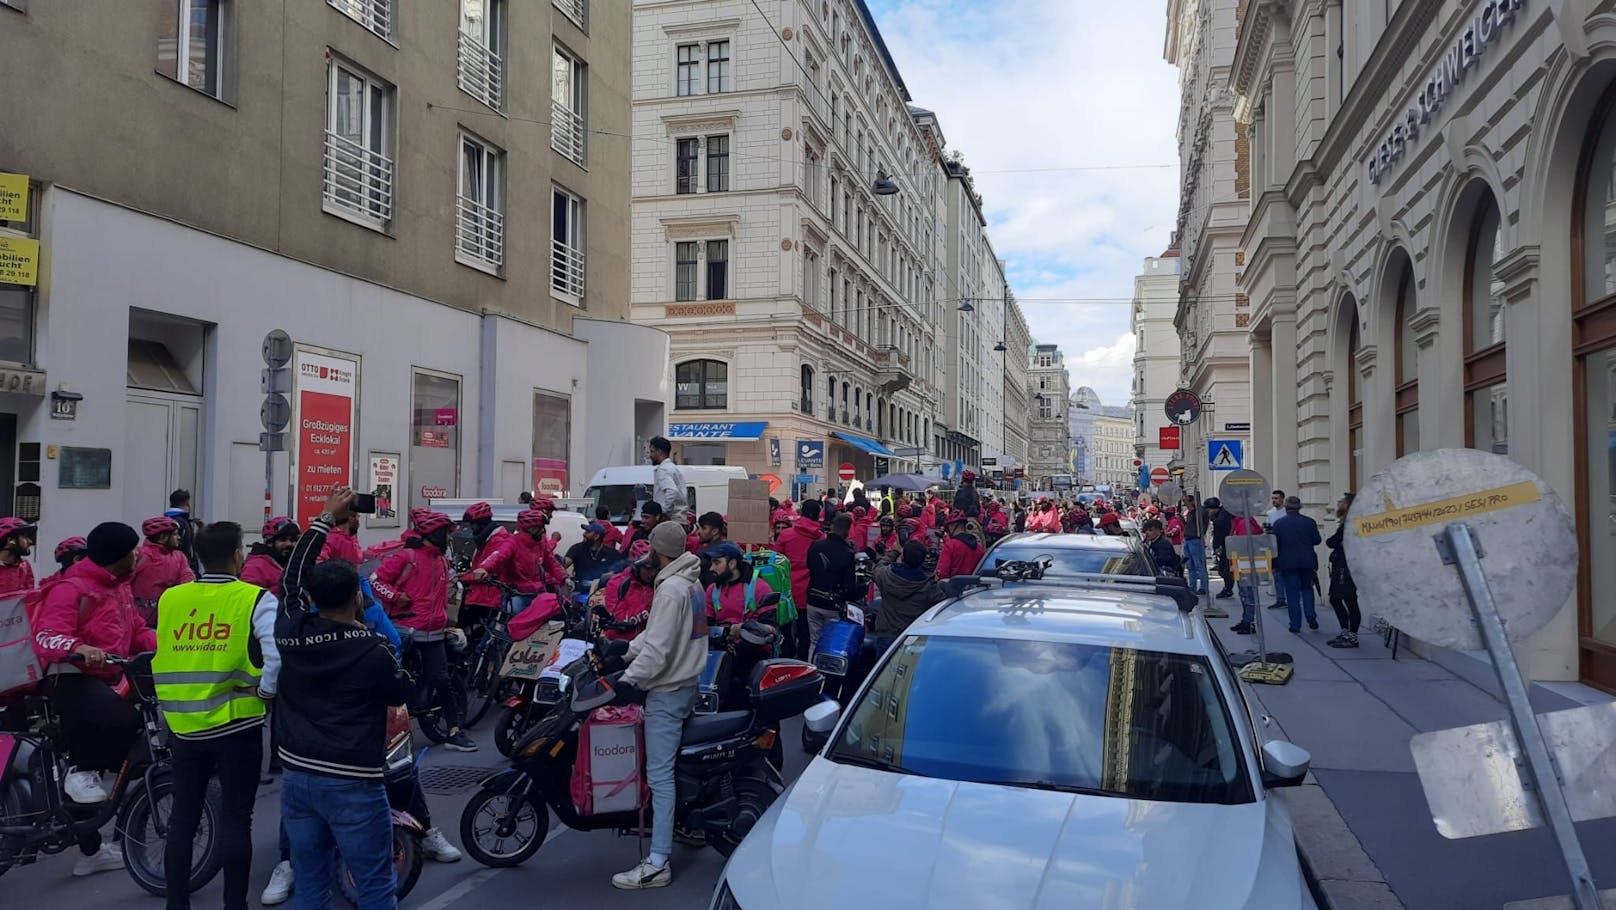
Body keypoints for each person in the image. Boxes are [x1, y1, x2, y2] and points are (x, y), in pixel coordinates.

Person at [273, 486, 414, 910]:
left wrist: (323, 519)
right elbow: (403, 688)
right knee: (374, 884)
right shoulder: (372, 650)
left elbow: (291, 578)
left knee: (310, 882)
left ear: (312, 601)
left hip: (297, 776)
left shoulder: (291, 634)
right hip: (353, 779)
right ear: (358, 598)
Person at [155, 521, 281, 910]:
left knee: (183, 822)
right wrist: (264, 692)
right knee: (235, 819)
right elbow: (275, 658)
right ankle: (234, 906)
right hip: (236, 725)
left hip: (184, 726)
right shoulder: (256, 598)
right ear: (237, 555)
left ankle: (177, 905)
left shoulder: (171, 599)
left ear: (198, 557)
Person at [30, 522, 154, 875]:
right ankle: (80, 771)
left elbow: (138, 633)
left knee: (124, 748)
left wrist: (172, 645)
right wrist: (78, 647)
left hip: (106, 681)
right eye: (133, 550)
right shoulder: (72, 588)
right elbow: (46, 636)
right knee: (122, 721)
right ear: (119, 556)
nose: (139, 555)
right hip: (68, 679)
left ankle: (91, 852)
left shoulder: (120, 588)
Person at [611, 522, 706, 890]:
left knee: (660, 777)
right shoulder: (690, 582)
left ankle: (657, 862)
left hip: (667, 690)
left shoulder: (670, 590)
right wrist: (625, 650)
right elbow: (655, 635)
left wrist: (629, 681)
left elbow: (659, 648)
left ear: (657, 550)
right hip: (687, 683)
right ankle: (682, 827)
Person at [373, 511, 477, 753]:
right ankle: (393, 740)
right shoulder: (406, 557)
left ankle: (454, 732)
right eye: (446, 533)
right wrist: (396, 597)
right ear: (434, 533)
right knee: (396, 685)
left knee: (442, 680)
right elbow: (376, 581)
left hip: (435, 632)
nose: (449, 538)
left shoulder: (441, 560)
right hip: (407, 630)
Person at [772, 499, 824, 659]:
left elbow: (775, 562)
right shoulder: (821, 538)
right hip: (809, 592)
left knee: (785, 631)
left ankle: (786, 660)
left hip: (786, 591)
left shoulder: (786, 535)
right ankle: (802, 663)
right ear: (818, 515)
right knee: (805, 634)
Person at [804, 513, 861, 651]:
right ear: (847, 531)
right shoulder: (847, 553)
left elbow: (809, 566)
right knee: (832, 643)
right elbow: (849, 586)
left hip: (813, 599)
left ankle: (812, 667)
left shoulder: (815, 545)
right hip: (833, 604)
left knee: (814, 641)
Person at [871, 540, 947, 640]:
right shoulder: (929, 586)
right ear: (923, 559)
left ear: (902, 557)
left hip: (887, 634)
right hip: (912, 637)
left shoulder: (887, 575)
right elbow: (943, 603)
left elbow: (878, 568)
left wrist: (894, 552)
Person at [130, 516, 195, 624]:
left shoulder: (179, 557)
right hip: (138, 622)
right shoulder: (140, 555)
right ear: (163, 537)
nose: (179, 537)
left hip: (168, 620)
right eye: (175, 534)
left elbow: (187, 581)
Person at [457, 502, 510, 633]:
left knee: (470, 631)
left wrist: (465, 578)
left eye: (472, 525)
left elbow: (486, 571)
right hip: (481, 595)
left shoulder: (497, 541)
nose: (471, 529)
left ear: (481, 524)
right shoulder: (487, 541)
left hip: (487, 598)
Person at [1272, 496, 1322, 634]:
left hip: (1287, 563)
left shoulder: (1279, 524)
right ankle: (1311, 616)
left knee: (1292, 594)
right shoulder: (1309, 522)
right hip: (1307, 562)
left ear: (1286, 507)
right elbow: (1317, 540)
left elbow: (1274, 545)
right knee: (1307, 590)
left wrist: (1274, 564)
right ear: (1300, 507)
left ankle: (1295, 624)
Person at [595, 540, 655, 641]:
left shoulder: (657, 582)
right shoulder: (616, 583)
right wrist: (650, 607)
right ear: (636, 565)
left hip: (648, 642)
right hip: (620, 644)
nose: (652, 573)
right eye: (648, 568)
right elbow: (620, 619)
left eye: (655, 568)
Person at [1325, 492, 1361, 648]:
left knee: (1347, 600)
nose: (1338, 504)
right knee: (1338, 598)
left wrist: (1335, 542)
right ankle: (1346, 632)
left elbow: (1332, 542)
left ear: (1348, 505)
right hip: (1343, 566)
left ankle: (1352, 636)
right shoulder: (1347, 522)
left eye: (1341, 502)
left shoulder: (1350, 524)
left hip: (1345, 568)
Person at [242, 517, 300, 592]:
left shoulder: (293, 563)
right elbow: (250, 597)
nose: (288, 544)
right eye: (282, 539)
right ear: (270, 542)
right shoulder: (256, 566)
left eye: (293, 540)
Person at [935, 511, 983, 580]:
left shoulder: (950, 546)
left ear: (952, 526)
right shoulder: (979, 548)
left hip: (952, 587)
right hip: (973, 588)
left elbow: (942, 573)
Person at [647, 436, 688, 516]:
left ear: (659, 452)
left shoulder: (663, 470)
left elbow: (672, 491)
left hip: (670, 517)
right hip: (678, 516)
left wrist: (661, 511)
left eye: (652, 451)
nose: (650, 455)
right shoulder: (672, 467)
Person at [166, 488, 201, 575]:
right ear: (187, 504)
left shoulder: (167, 520)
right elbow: (188, 549)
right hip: (183, 573)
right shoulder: (182, 522)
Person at [1181, 495, 1211, 596]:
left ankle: (1204, 587)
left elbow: (1202, 523)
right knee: (1190, 566)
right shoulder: (1190, 513)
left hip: (1195, 540)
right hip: (1188, 539)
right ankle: (1192, 586)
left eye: (1186, 502)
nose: (1186, 505)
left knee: (1199, 565)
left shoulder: (1200, 512)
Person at [1206, 497, 1235, 598]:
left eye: (1209, 510)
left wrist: (1220, 546)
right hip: (1223, 544)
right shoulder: (1220, 513)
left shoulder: (1223, 514)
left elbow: (1221, 526)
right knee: (1222, 569)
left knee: (1225, 569)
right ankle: (1228, 587)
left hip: (1225, 545)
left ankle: (1228, 589)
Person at [0, 516, 36, 596]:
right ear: (11, 541)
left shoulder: (25, 567)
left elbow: (28, 599)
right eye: (25, 537)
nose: (30, 541)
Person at [1265, 490, 1289, 611]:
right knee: (1276, 574)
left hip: (1286, 546)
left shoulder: (1287, 513)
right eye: (1273, 498)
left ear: (1282, 499)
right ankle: (1280, 599)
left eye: (1276, 498)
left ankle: (1287, 597)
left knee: (1286, 574)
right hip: (1274, 547)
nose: (1274, 500)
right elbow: (1268, 529)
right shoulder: (1270, 513)